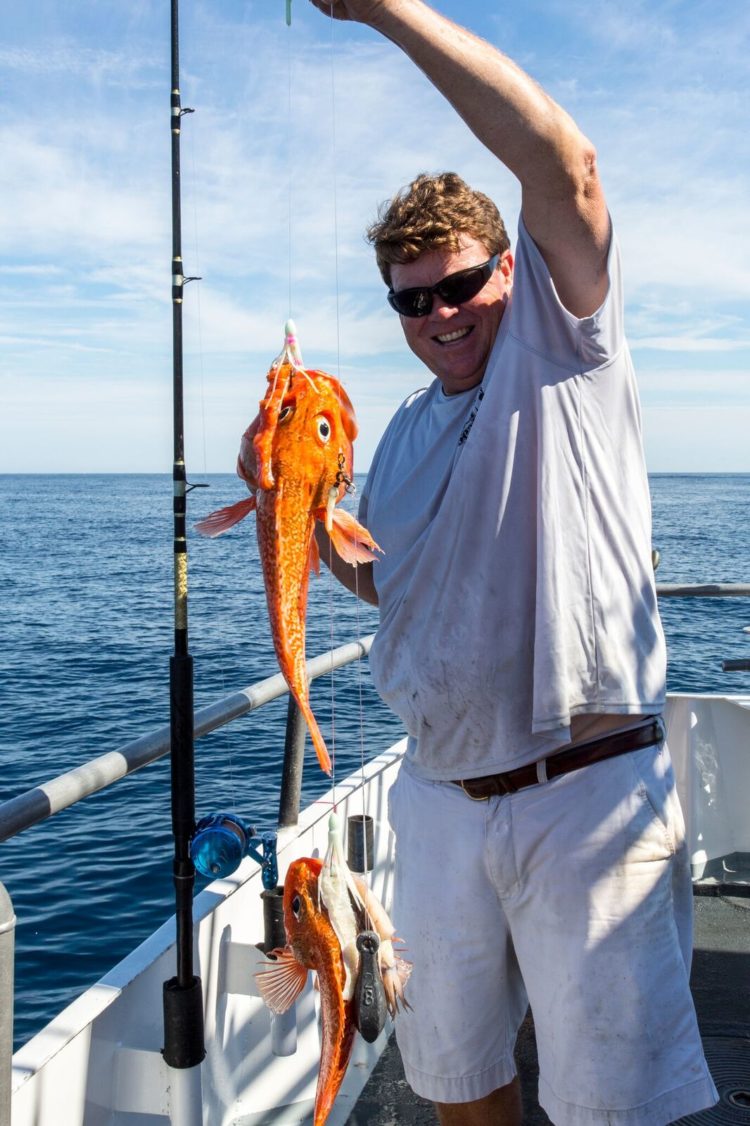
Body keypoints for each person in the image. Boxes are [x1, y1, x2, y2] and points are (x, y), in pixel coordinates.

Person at [309, 2, 718, 1124]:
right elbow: (391, 582)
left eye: (460, 283)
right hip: (438, 792)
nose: (440, 312)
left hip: (581, 798)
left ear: (509, 268)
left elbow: (566, 165)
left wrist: (380, 10)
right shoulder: (394, 434)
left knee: (616, 1103)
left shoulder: (563, 348)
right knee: (456, 1077)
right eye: (411, 297)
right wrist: (308, 534)